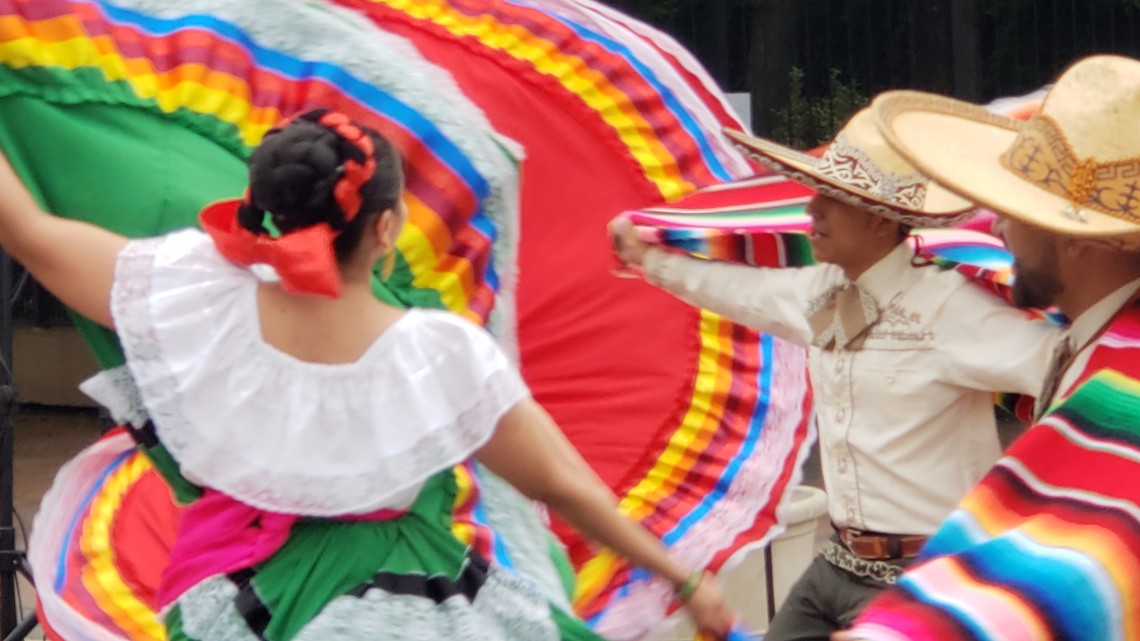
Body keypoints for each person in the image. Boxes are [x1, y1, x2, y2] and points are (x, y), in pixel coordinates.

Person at [0, 109, 736, 640]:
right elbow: (564, 485)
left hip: (244, 605)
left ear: (264, 210)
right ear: (383, 229)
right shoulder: (440, 355)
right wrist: (687, 580)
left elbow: (28, 230)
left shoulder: (194, 297)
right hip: (422, 606)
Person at [609, 108, 1060, 641]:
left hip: (925, 579)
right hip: (837, 562)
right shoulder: (820, 293)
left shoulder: (952, 310)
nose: (811, 209)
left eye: (833, 198)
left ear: (881, 218)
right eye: (814, 192)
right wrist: (644, 254)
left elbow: (1076, 374)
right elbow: (734, 291)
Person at [834, 54, 1140, 641]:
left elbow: (1085, 557)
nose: (995, 225)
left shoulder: (1122, 373)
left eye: (1016, 207)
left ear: (1078, 240)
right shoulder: (1103, 339)